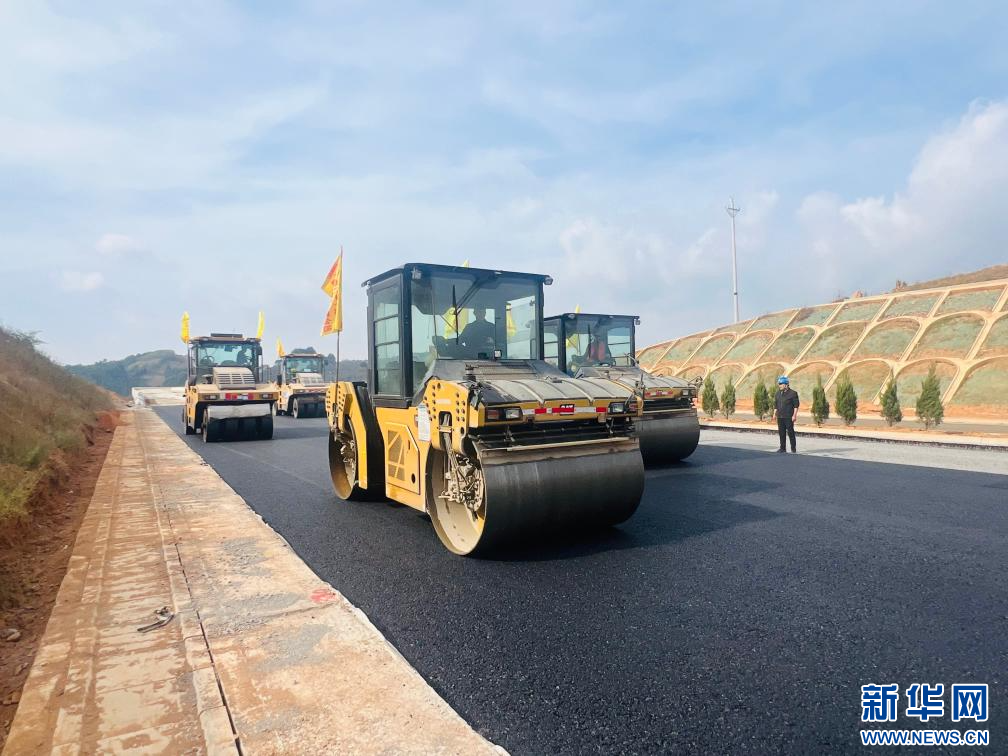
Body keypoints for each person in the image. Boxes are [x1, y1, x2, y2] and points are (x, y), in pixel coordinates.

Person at [771, 375, 800, 453]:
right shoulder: (777, 393)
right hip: (780, 416)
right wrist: (774, 414)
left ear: (786, 384)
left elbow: (796, 406)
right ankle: (782, 448)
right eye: (779, 384)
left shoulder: (793, 393)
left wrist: (794, 415)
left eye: (781, 384)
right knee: (781, 433)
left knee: (790, 433)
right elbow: (776, 405)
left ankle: (793, 449)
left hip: (789, 417)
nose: (779, 385)